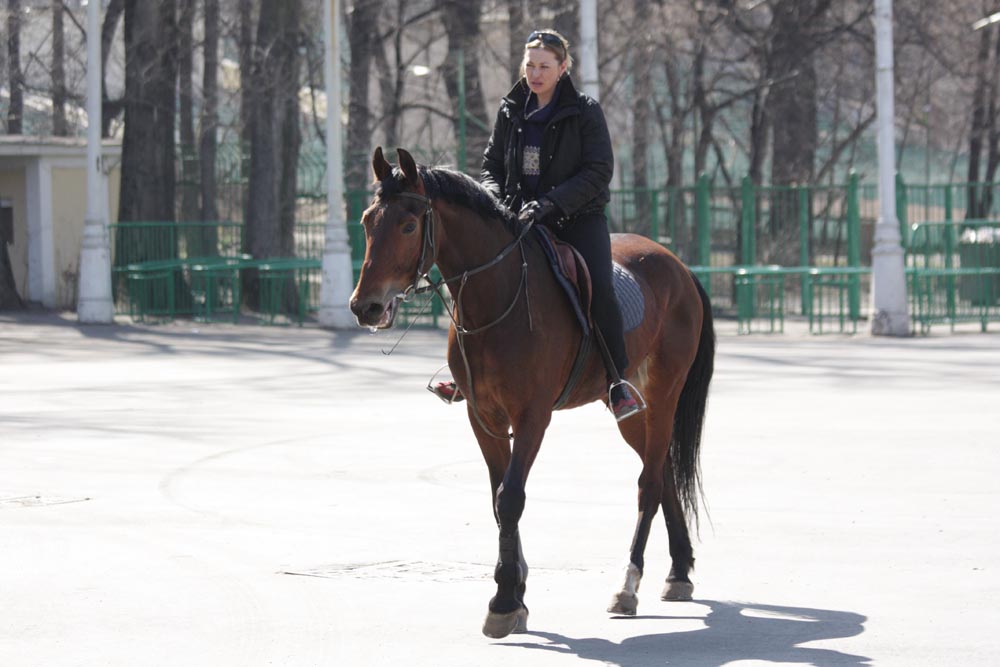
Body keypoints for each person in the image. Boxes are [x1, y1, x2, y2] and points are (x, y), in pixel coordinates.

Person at [432, 28, 643, 422]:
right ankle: (466, 374)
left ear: (563, 68)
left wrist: (550, 203)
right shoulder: (510, 108)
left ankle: (617, 382)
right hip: (517, 217)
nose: (535, 73)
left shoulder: (585, 111)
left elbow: (598, 171)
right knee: (476, 278)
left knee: (599, 288)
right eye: (530, 65)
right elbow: (491, 165)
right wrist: (495, 200)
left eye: (545, 66)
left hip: (576, 219)